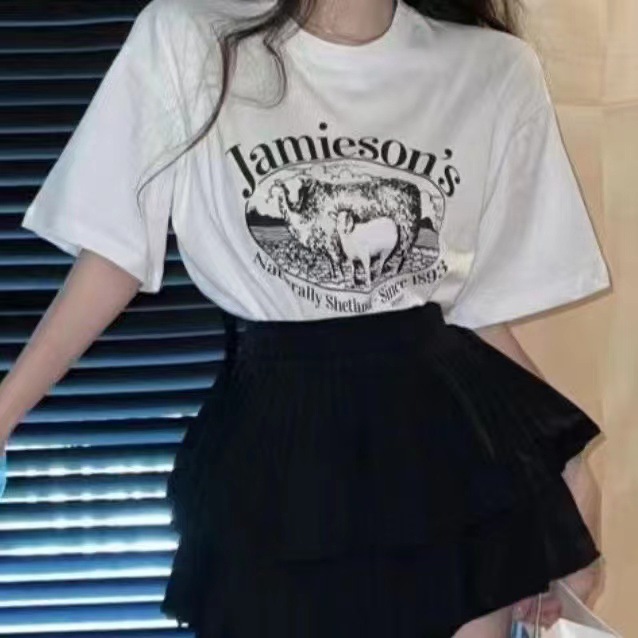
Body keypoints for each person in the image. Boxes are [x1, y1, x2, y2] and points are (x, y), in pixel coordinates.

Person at [0, 0, 612, 635]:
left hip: (445, 463)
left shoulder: (492, 68)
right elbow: (114, 255)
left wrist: (568, 470)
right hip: (273, 455)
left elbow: (473, 314)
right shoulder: (192, 40)